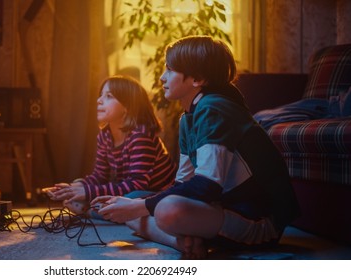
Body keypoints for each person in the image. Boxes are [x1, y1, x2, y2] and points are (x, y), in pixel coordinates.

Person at [91, 35, 300, 259]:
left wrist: (140, 207)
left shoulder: (214, 109)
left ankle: (181, 238)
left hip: (258, 222)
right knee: (133, 199)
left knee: (164, 209)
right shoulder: (188, 117)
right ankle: (183, 243)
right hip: (221, 208)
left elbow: (206, 186)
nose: (162, 77)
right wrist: (134, 204)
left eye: (170, 70)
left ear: (197, 79)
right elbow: (183, 183)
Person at [46, 75, 177, 217]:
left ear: (127, 106)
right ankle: (99, 209)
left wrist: (87, 192)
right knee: (77, 185)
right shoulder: (105, 135)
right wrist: (75, 188)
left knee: (132, 196)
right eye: (100, 95)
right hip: (130, 190)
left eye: (108, 96)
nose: (99, 100)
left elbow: (138, 184)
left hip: (155, 194)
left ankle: (96, 211)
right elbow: (100, 176)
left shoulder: (141, 135)